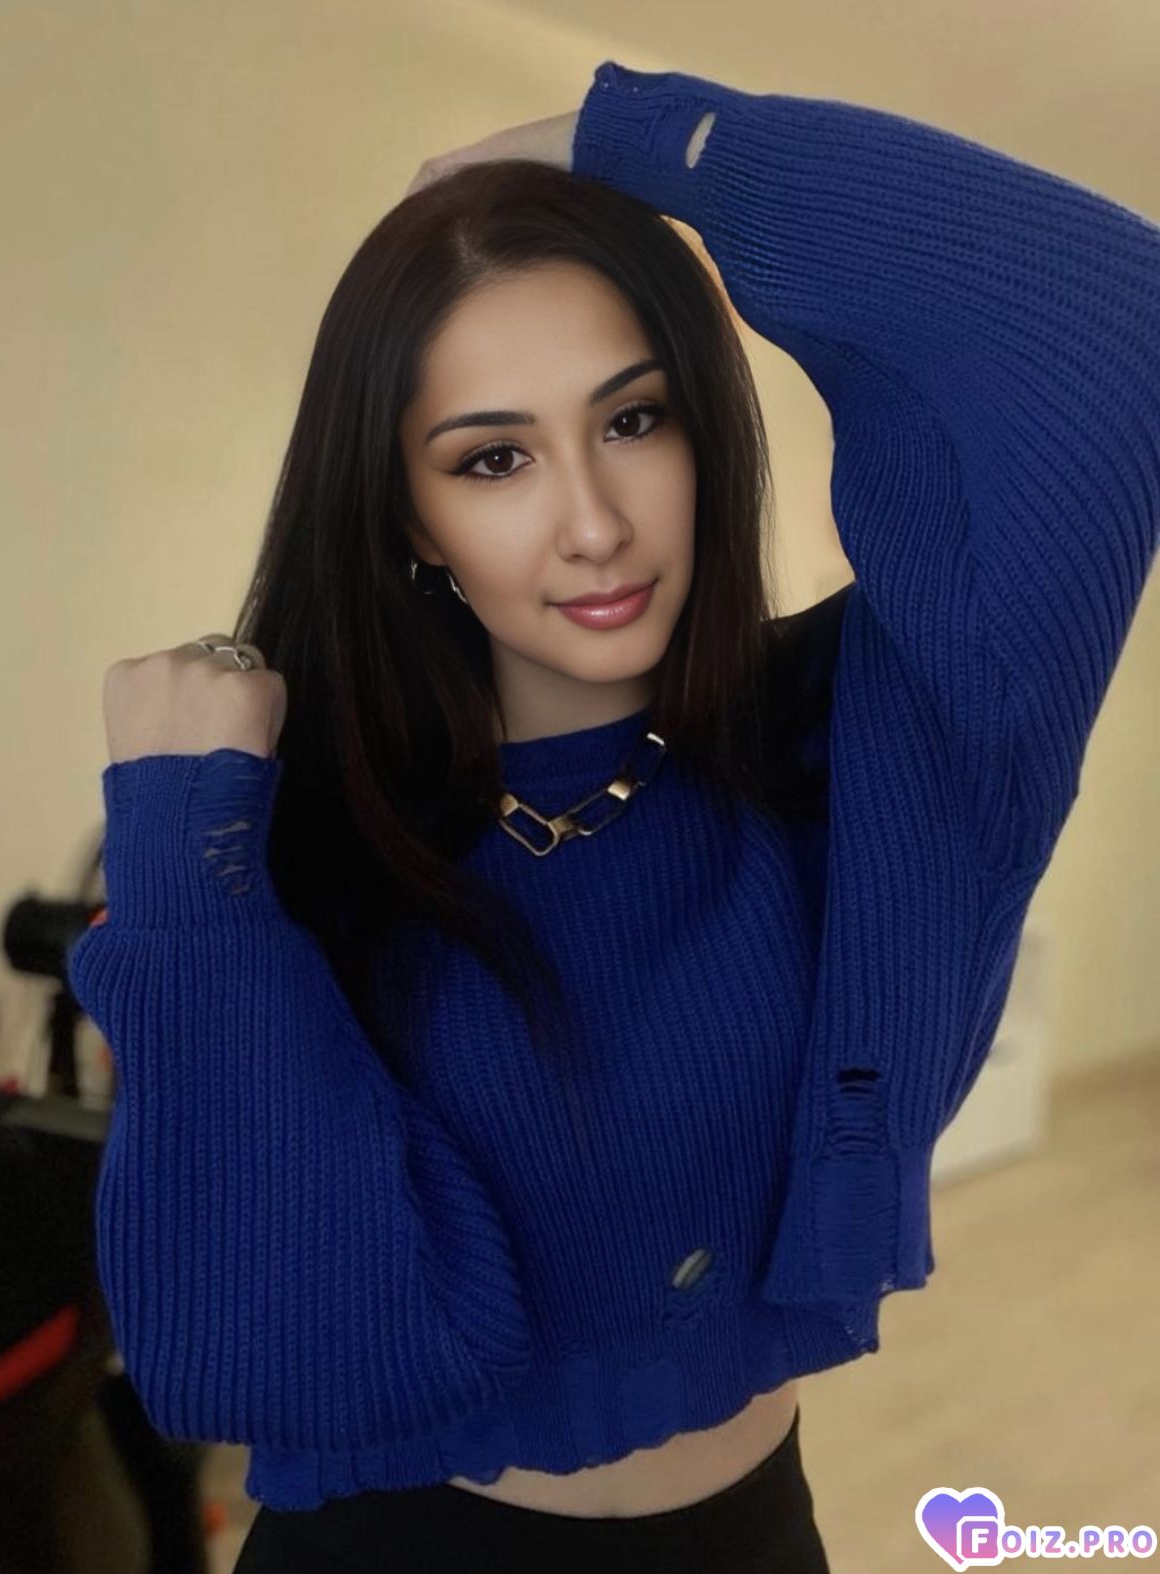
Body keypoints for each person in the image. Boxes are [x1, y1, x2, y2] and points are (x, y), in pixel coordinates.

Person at [67, 59, 1160, 1574]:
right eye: (494, 458)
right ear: (407, 516)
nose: (591, 521)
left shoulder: (867, 743)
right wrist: (181, 858)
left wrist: (651, 140)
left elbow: (1112, 322)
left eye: (634, 419)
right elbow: (258, 1353)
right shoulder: (304, 835)